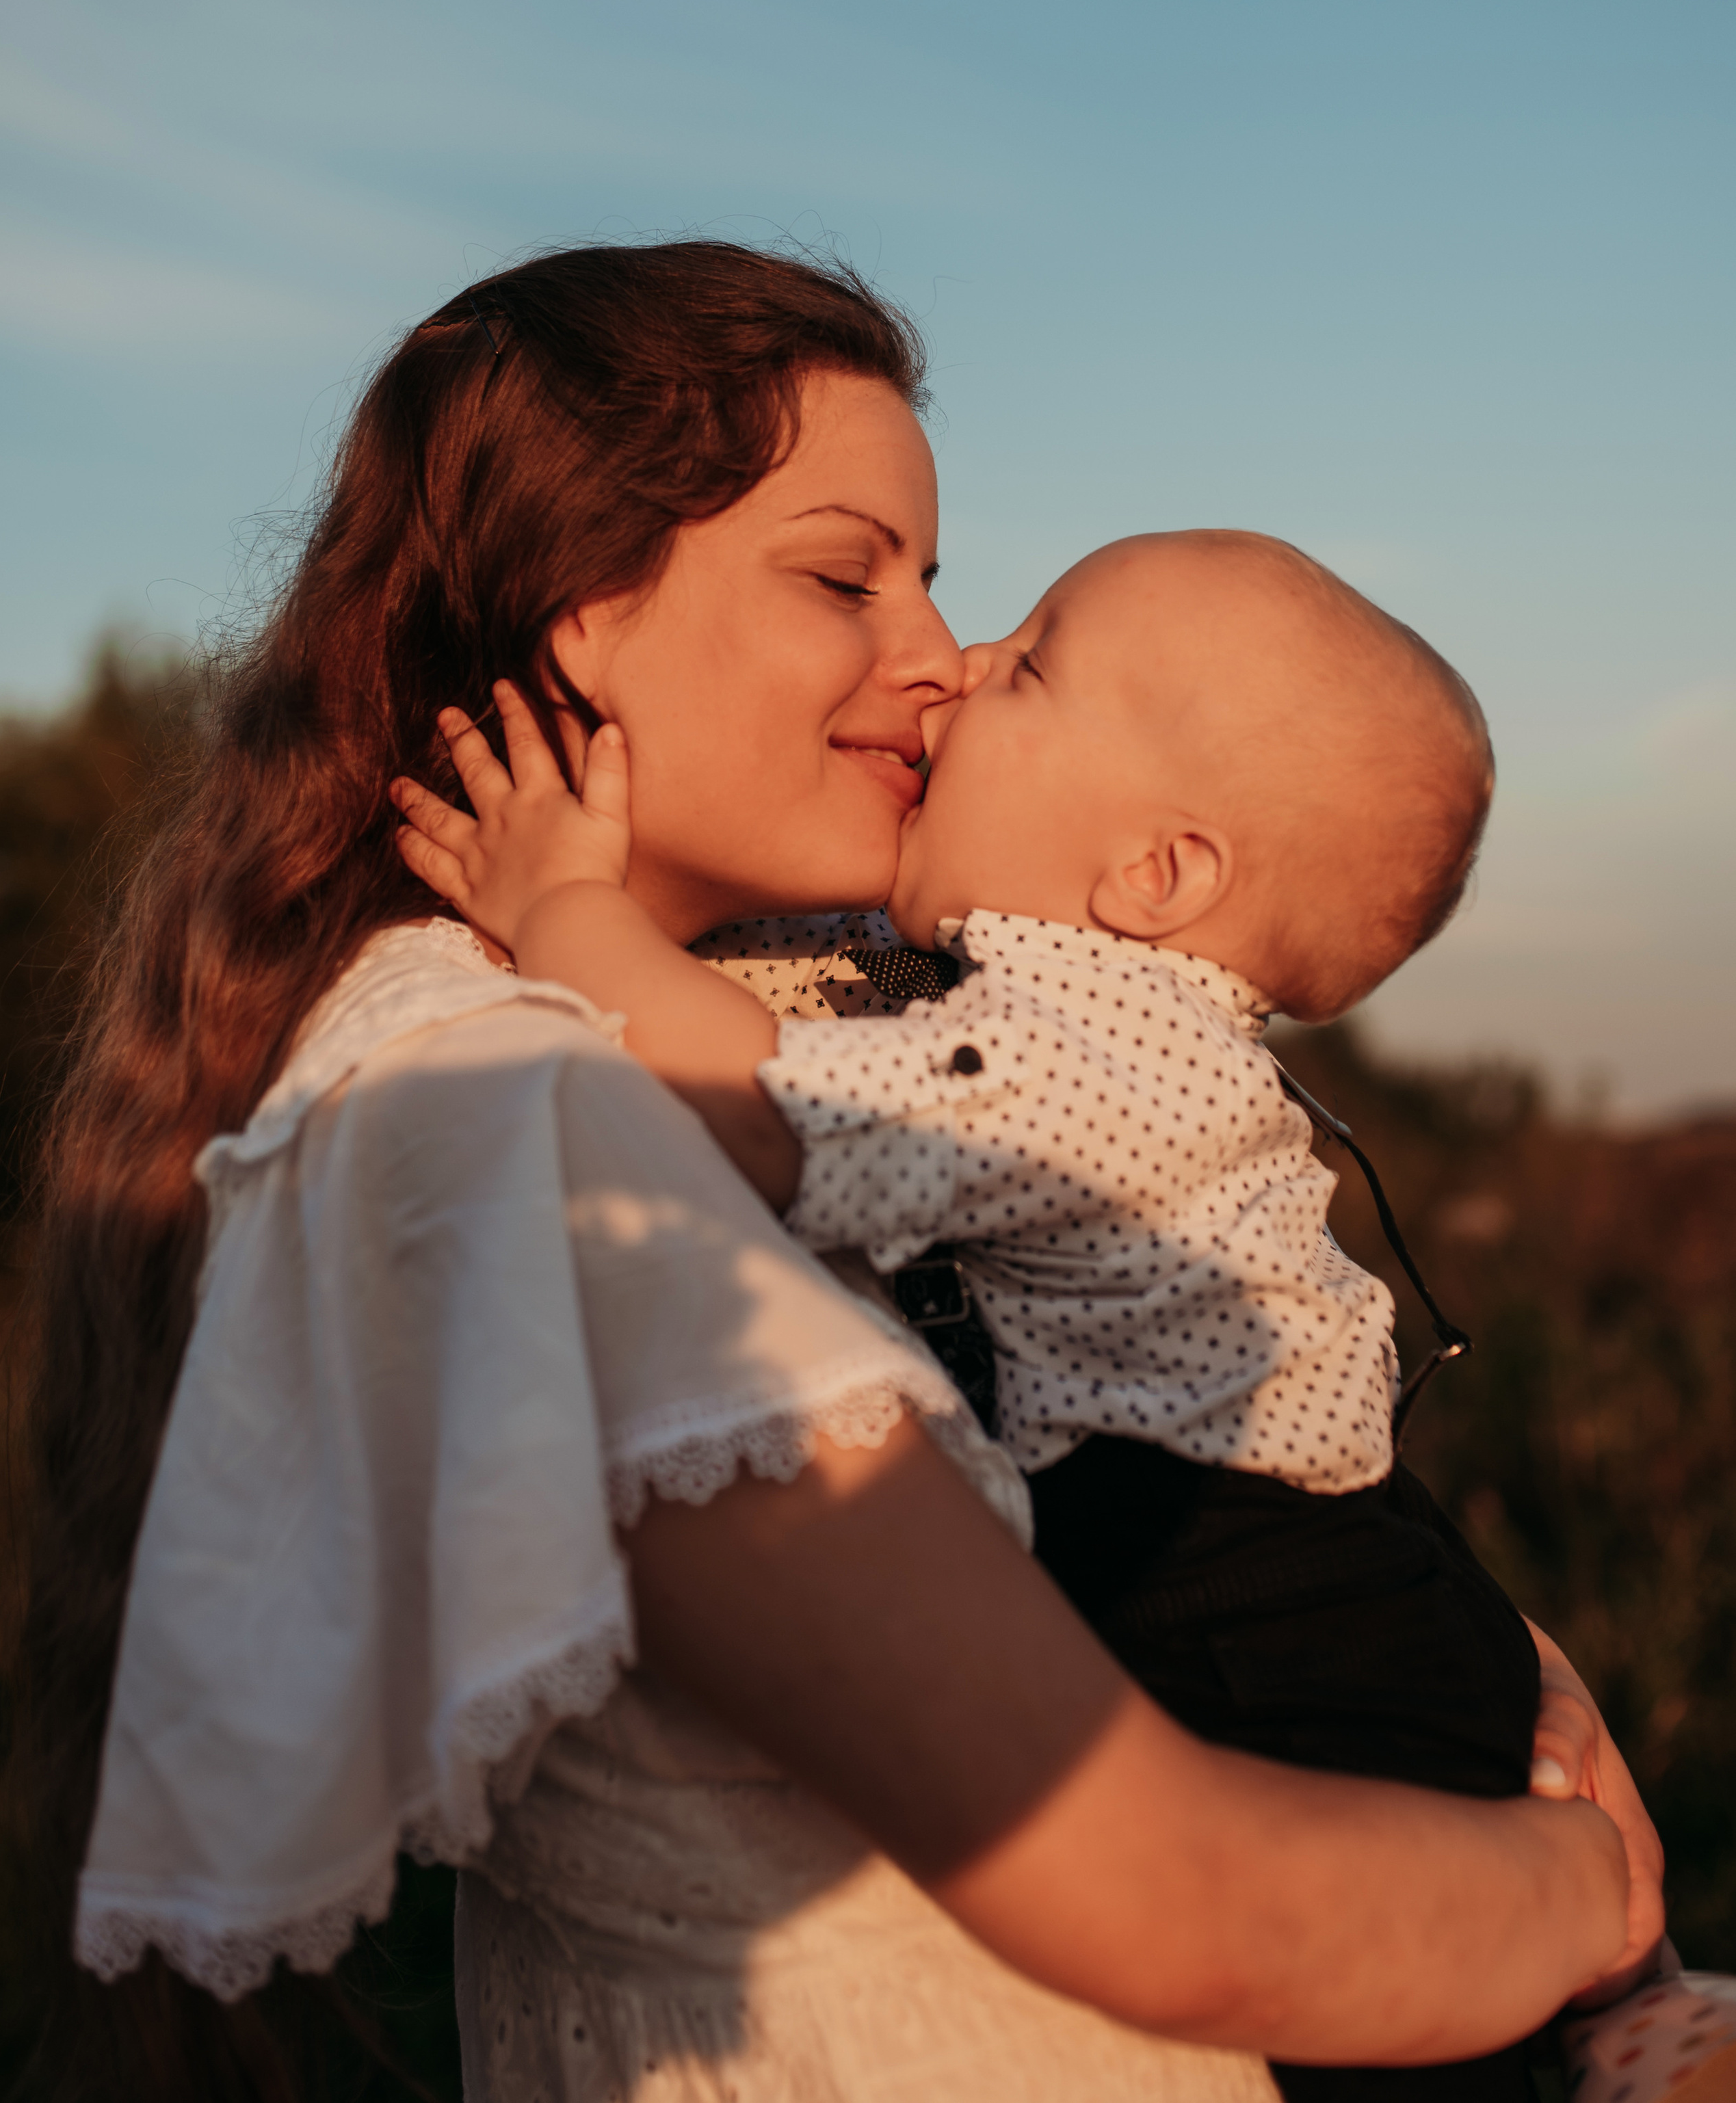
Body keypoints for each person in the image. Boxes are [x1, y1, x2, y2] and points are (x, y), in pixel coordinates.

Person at [20, 243, 1649, 2103]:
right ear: (581, 613)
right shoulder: (517, 1114)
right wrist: (1576, 1885)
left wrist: (1491, 1679)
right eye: (840, 572)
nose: (937, 660)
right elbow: (1167, 1891)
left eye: (941, 585)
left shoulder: (751, 1006)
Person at [391, 527, 1550, 2103]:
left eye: (1030, 662)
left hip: (1275, 1631)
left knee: (1397, 2041)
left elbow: (753, 1101)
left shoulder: (1092, 1045)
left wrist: (564, 908)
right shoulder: (1024, 990)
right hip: (1268, 1584)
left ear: (1153, 874)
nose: (959, 663)